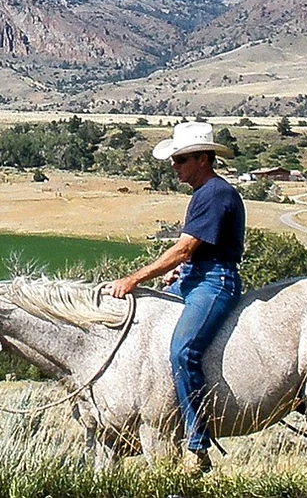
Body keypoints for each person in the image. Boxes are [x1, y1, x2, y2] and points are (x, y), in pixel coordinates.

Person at [108, 121, 245, 470]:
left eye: (181, 160)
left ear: (202, 158)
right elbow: (195, 253)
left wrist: (134, 278)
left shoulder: (215, 194)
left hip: (215, 283)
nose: (174, 166)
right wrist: (180, 271)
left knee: (183, 351)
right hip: (196, 276)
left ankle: (197, 442)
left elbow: (184, 249)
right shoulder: (204, 194)